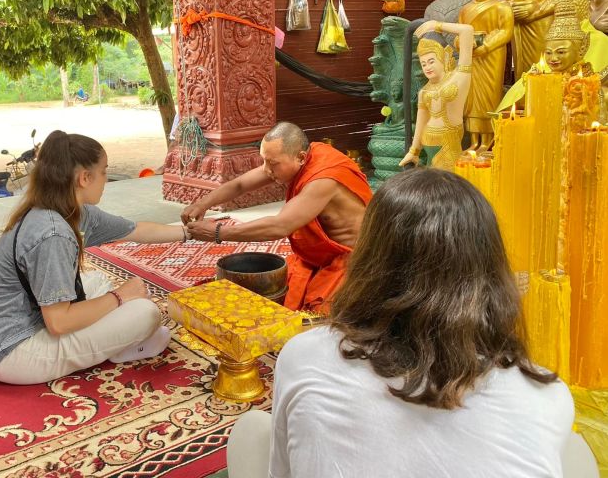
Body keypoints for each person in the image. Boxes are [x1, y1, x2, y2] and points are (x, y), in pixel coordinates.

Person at [229, 169, 577, 478]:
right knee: (577, 454)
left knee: (252, 430)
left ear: (369, 256)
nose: (271, 170)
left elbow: (283, 470)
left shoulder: (304, 355)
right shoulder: (547, 396)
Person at [0, 130, 188, 385]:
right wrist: (121, 296)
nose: (105, 179)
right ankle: (121, 346)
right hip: (10, 350)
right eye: (104, 171)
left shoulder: (70, 210)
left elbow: (136, 229)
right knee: (146, 312)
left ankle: (119, 339)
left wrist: (190, 232)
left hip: (6, 326)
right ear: (84, 178)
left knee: (97, 280)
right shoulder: (53, 232)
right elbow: (58, 322)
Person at [182, 122, 371, 313]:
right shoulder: (292, 159)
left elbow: (280, 226)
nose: (266, 169)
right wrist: (202, 203)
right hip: (316, 257)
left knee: (315, 314)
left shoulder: (324, 179)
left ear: (301, 157)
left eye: (272, 163)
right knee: (271, 293)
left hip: (352, 259)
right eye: (264, 160)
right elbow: (240, 185)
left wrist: (217, 232)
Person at [399, 20, 474, 171]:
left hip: (449, 141)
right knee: (432, 179)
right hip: (428, 142)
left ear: (443, 58)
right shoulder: (424, 91)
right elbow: (421, 122)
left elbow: (467, 31)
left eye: (431, 61)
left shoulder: (459, 78)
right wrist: (414, 151)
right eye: (423, 63)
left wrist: (437, 25)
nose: (427, 67)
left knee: (449, 180)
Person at [457, 0, 514, 153]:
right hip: (472, 57)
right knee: (470, 100)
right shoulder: (465, 9)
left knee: (489, 97)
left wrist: (487, 45)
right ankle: (474, 141)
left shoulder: (501, 6)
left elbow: (506, 31)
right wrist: (463, 42)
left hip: (491, 58)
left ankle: (488, 141)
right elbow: (459, 32)